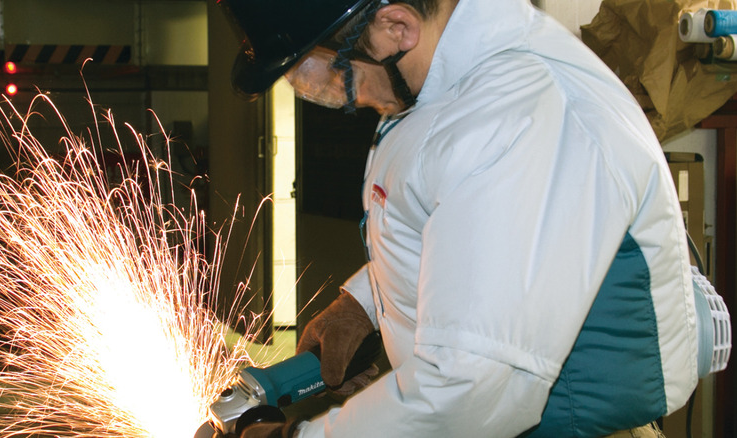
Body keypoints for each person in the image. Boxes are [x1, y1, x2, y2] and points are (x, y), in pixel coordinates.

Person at [218, 0, 700, 436]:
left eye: (342, 82)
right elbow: (463, 232)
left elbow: (473, 385)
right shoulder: (434, 76)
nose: (354, 101)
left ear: (395, 25)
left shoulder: (519, 110)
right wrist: (365, 305)